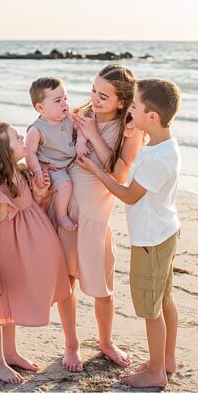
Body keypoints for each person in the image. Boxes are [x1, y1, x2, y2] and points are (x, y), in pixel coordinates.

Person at [76, 78, 182, 387]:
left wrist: (96, 171)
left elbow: (128, 194)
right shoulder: (159, 144)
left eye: (134, 107)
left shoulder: (160, 159)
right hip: (164, 231)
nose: (130, 112)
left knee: (151, 310)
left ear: (153, 116)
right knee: (164, 300)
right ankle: (167, 359)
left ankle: (157, 373)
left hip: (150, 240)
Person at [0, 122, 72, 385]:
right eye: (16, 137)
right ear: (4, 152)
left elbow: (30, 204)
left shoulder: (20, 173)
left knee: (10, 304)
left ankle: (11, 352)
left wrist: (39, 190)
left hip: (20, 254)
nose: (23, 137)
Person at [56, 64, 144, 369]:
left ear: (122, 102)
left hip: (96, 217)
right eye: (94, 90)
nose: (94, 98)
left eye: (103, 95)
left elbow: (119, 176)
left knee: (102, 288)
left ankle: (106, 342)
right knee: (65, 283)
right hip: (66, 212)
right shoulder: (78, 116)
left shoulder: (130, 130)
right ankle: (71, 345)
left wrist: (93, 134)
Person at [24, 77, 88, 232]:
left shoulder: (68, 118)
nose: (64, 103)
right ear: (40, 108)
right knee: (65, 185)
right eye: (58, 100)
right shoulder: (36, 129)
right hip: (54, 168)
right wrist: (38, 171)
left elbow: (81, 127)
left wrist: (80, 141)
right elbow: (30, 153)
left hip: (70, 163)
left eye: (65, 98)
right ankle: (61, 215)